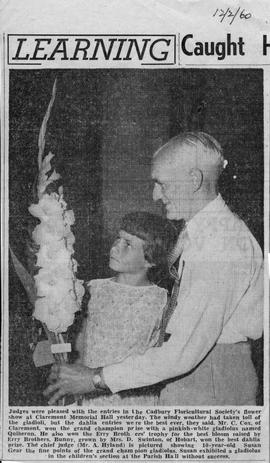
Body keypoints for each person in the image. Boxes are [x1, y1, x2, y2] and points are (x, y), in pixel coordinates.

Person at [44, 131, 264, 406]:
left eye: (161, 184)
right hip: (194, 381)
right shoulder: (202, 235)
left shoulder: (221, 244)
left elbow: (183, 352)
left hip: (211, 384)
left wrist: (95, 379)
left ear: (194, 180)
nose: (155, 195)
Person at [72, 211, 177, 405]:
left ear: (150, 259)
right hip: (91, 396)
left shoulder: (161, 300)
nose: (115, 248)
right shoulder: (94, 289)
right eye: (117, 239)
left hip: (133, 400)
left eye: (127, 244)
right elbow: (81, 345)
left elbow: (162, 358)